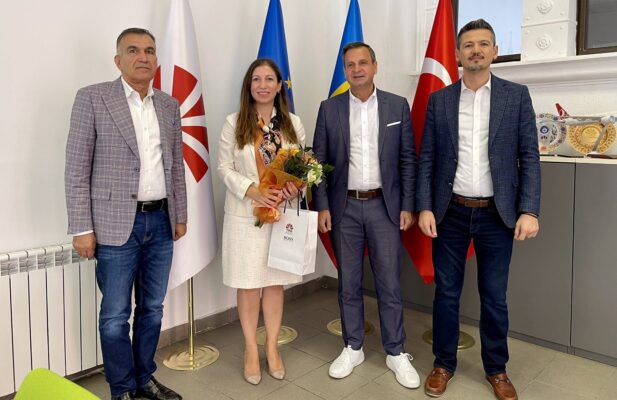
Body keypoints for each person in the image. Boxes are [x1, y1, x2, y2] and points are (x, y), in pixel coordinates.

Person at [416, 19, 540, 400]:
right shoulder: (440, 100)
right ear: (457, 53)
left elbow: (529, 157)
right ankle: (443, 364)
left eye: (483, 44)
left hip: (497, 215)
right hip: (450, 212)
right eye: (468, 45)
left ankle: (497, 369)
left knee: (494, 297)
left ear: (495, 52)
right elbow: (427, 158)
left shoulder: (515, 97)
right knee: (446, 294)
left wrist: (529, 210)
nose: (476, 50)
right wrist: (424, 207)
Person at [64, 28, 186, 400]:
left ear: (156, 60)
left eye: (149, 50)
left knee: (152, 309)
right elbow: (76, 168)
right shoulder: (93, 98)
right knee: (116, 315)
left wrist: (180, 215)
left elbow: (175, 167)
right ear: (118, 60)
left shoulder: (169, 105)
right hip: (114, 225)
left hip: (160, 222)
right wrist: (82, 227)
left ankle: (144, 378)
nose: (142, 57)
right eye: (133, 50)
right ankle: (122, 389)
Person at [312, 42, 419, 389]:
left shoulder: (396, 105)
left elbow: (407, 159)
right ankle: (353, 346)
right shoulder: (329, 109)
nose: (356, 69)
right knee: (349, 282)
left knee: (389, 281)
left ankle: (395, 351)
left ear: (375, 66)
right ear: (344, 70)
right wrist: (322, 206)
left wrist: (407, 205)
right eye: (350, 65)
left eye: (362, 63)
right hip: (344, 208)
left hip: (384, 207)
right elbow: (319, 162)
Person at [218, 58, 305, 385]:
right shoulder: (234, 123)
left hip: (281, 215)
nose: (263, 85)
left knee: (274, 282)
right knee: (249, 283)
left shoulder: (293, 123)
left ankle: (271, 346)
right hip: (246, 215)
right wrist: (253, 191)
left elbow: (301, 166)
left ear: (280, 86)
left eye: (270, 79)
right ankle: (251, 349)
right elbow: (224, 168)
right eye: (257, 79)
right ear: (249, 85)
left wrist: (295, 186)